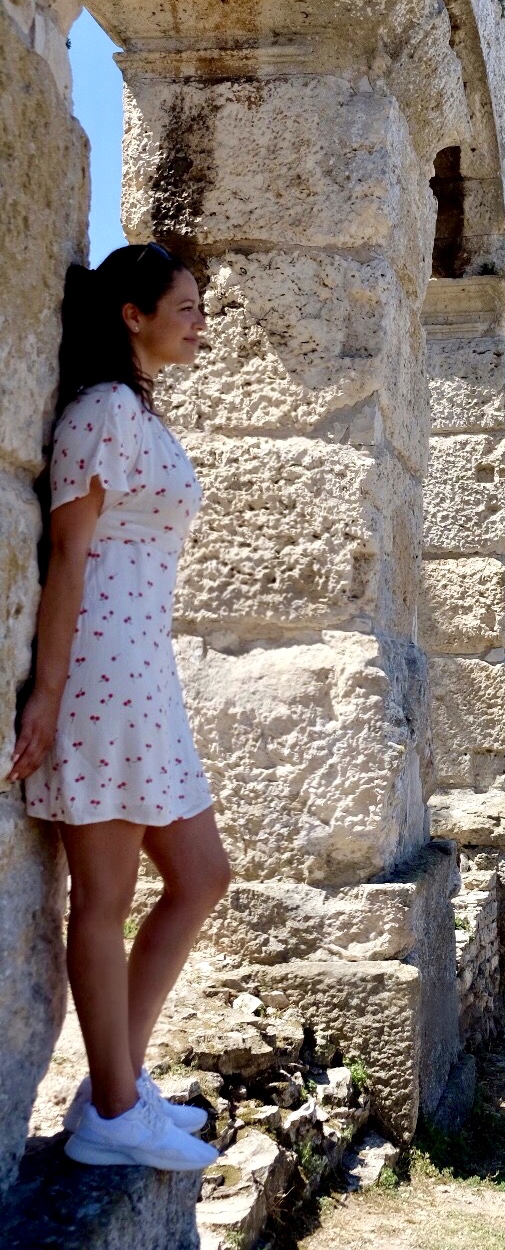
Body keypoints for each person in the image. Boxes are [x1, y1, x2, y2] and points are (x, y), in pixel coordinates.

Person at [7, 245, 230, 1170]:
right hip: (102, 671)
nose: (200, 321)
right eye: (184, 306)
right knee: (105, 896)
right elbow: (68, 556)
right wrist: (46, 696)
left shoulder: (135, 410)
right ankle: (109, 1107)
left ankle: (122, 1088)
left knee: (202, 875)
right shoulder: (102, 412)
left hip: (144, 671)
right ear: (132, 315)